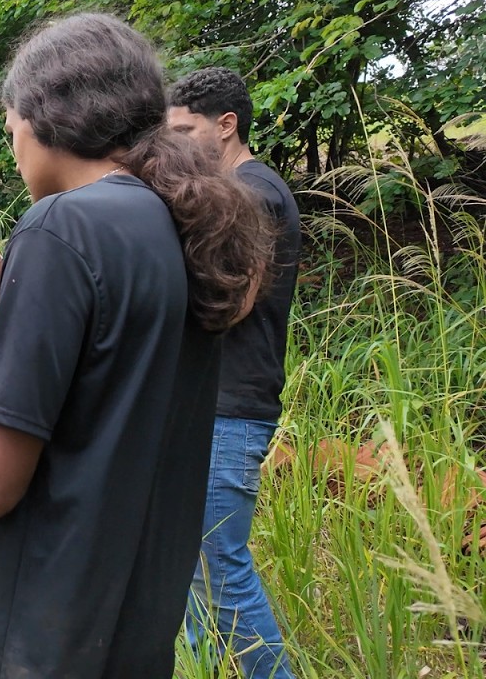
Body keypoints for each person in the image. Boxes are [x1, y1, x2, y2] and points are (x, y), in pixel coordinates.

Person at [0, 14, 274, 677]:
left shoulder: (61, 226)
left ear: (45, 116)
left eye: (10, 124)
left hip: (50, 640)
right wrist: (21, 306)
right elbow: (117, 376)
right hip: (137, 634)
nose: (13, 143)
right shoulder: (178, 222)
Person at [167, 66, 301, 678]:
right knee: (193, 565)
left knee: (219, 567)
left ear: (226, 127)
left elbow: (232, 304)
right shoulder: (238, 190)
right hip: (213, 404)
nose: (173, 143)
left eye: (184, 130)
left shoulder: (254, 192)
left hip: (233, 408)